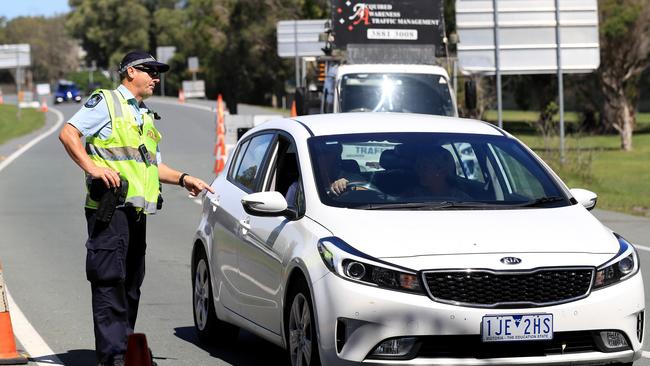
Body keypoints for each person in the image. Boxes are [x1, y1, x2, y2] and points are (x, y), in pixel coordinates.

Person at [58, 50, 214, 366]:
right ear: (130, 72)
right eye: (150, 71)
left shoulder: (142, 114)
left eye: (158, 72)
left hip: (136, 214)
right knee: (109, 280)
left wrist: (184, 178)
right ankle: (113, 355)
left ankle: (125, 349)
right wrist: (91, 168)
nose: (156, 77)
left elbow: (152, 165)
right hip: (110, 209)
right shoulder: (107, 103)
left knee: (130, 285)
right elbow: (68, 133)